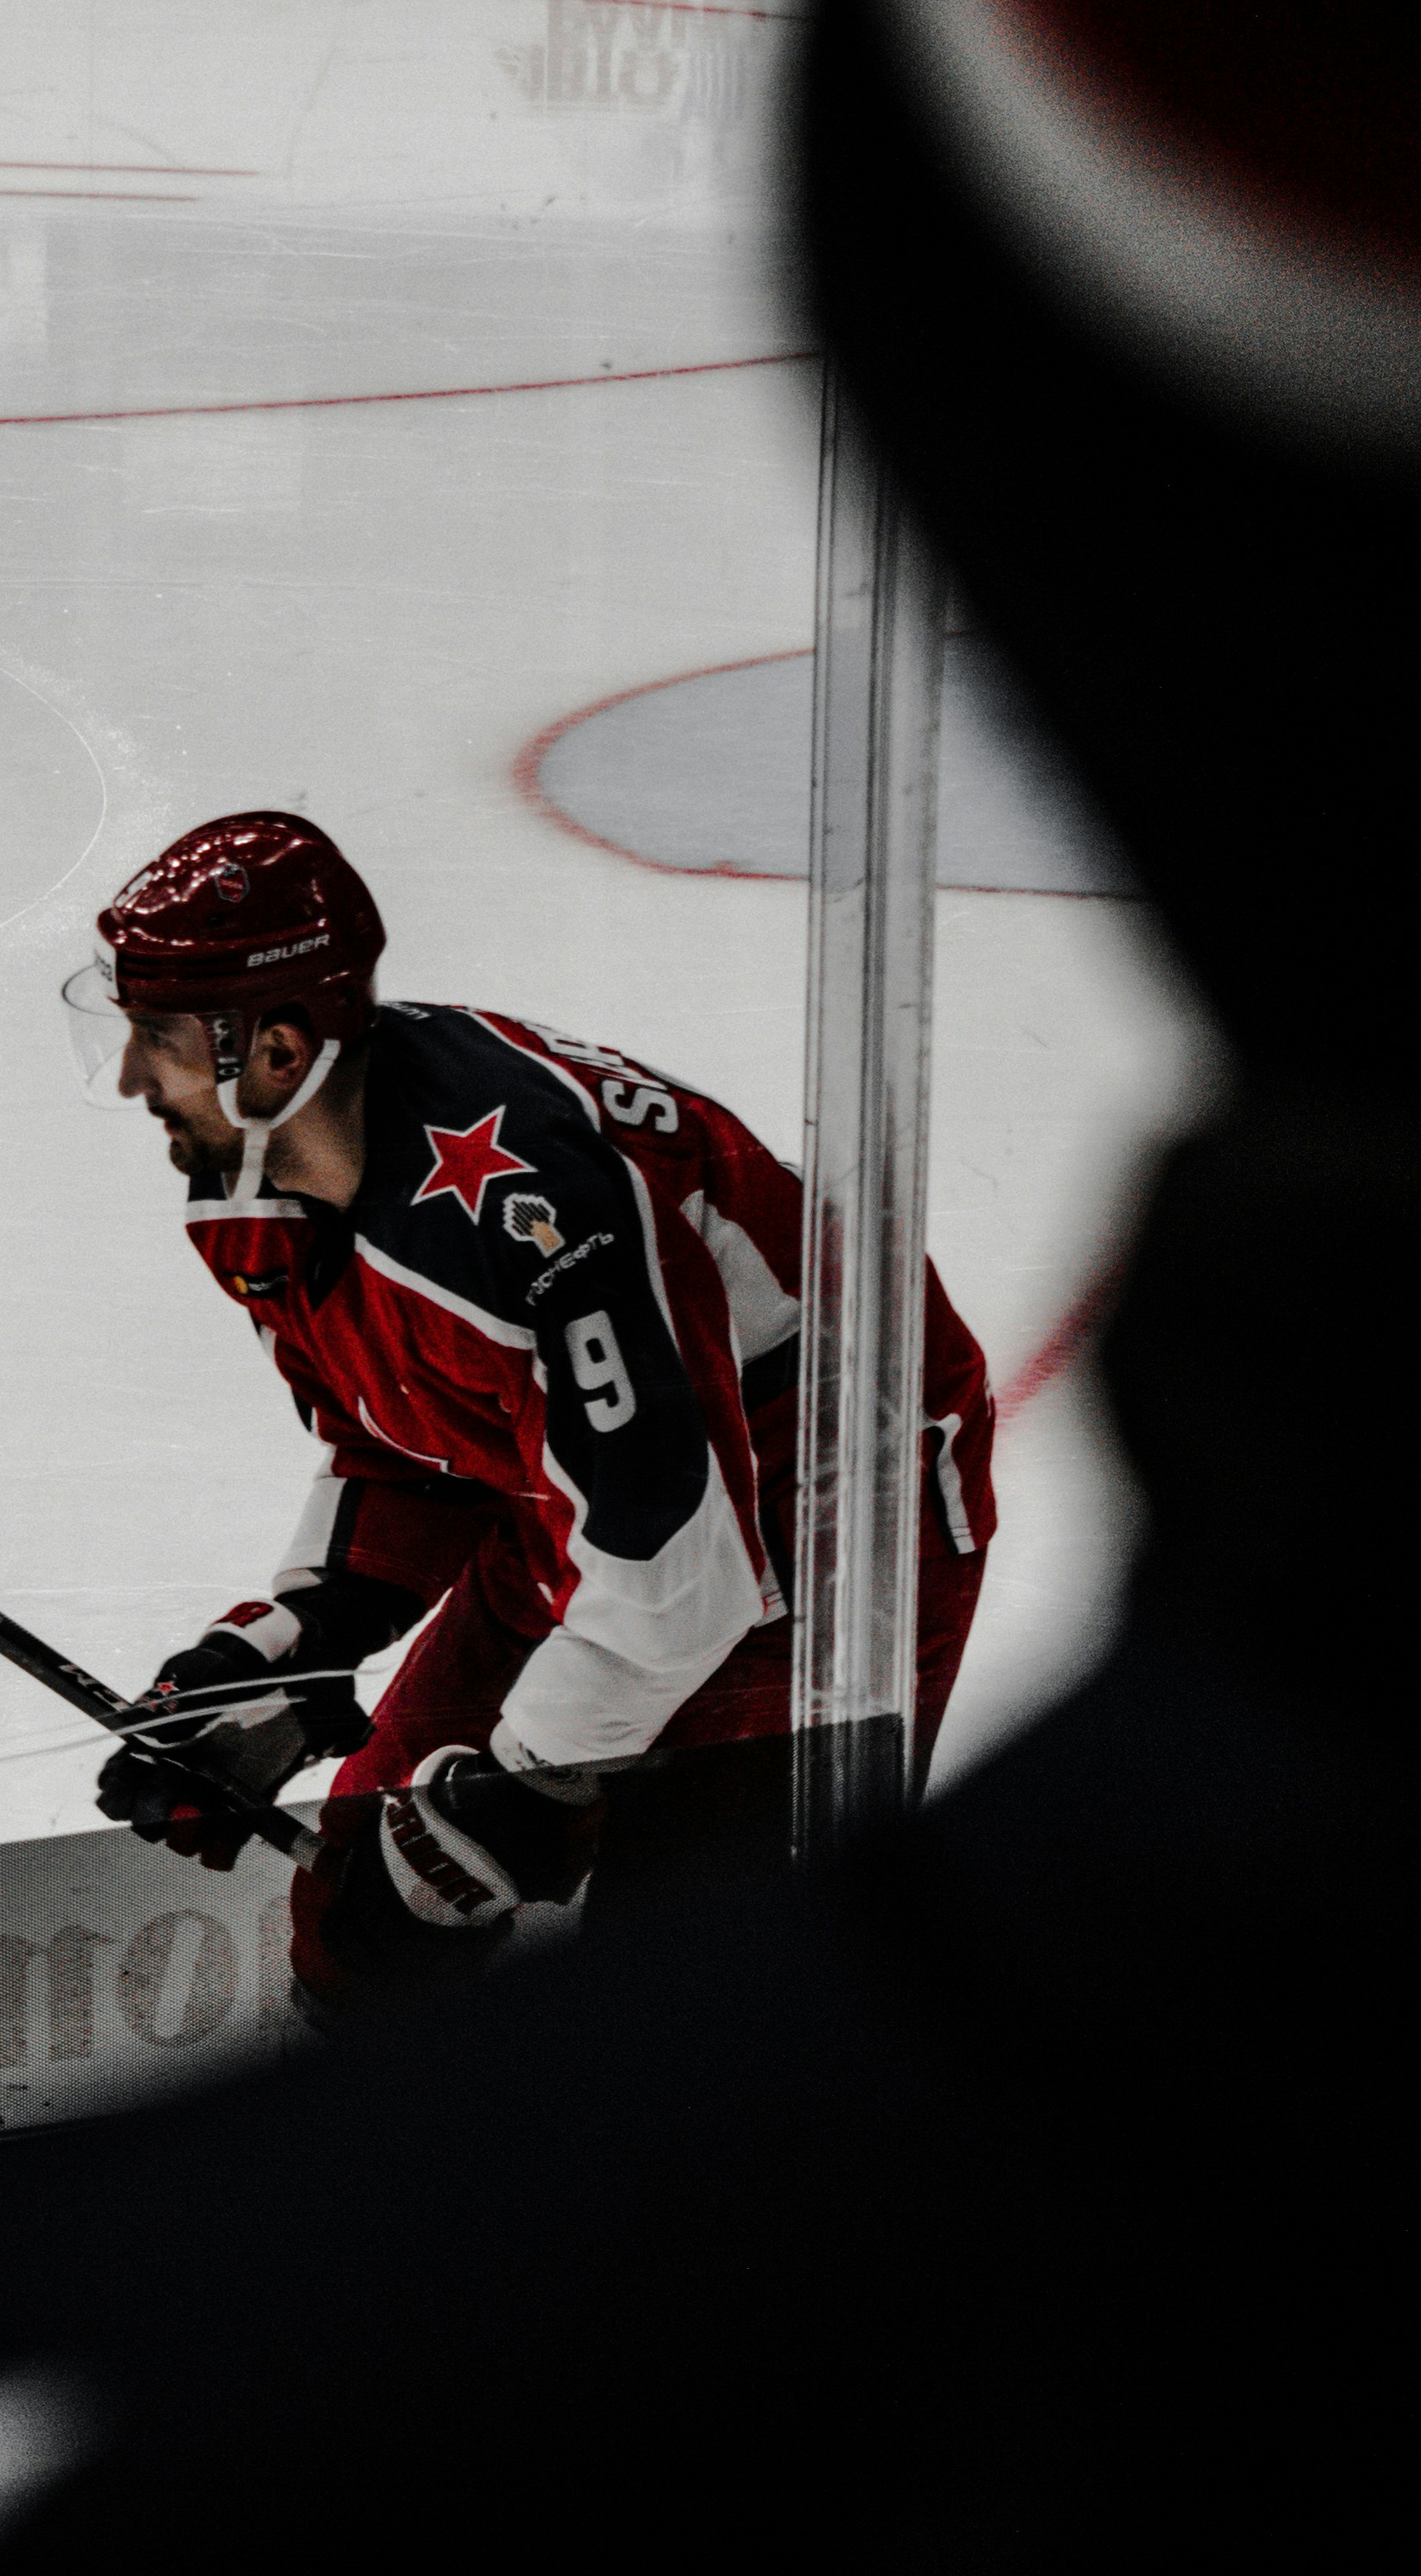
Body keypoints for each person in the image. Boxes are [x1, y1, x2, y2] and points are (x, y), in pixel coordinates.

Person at [62, 811, 994, 2004]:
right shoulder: (246, 1187)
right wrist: (289, 1646)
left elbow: (675, 1566)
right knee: (360, 1905)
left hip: (826, 1505)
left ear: (278, 1049)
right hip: (616, 1500)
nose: (134, 1077)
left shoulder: (545, 1213)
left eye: (156, 1036)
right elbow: (408, 1439)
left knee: (706, 1990)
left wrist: (520, 1794)